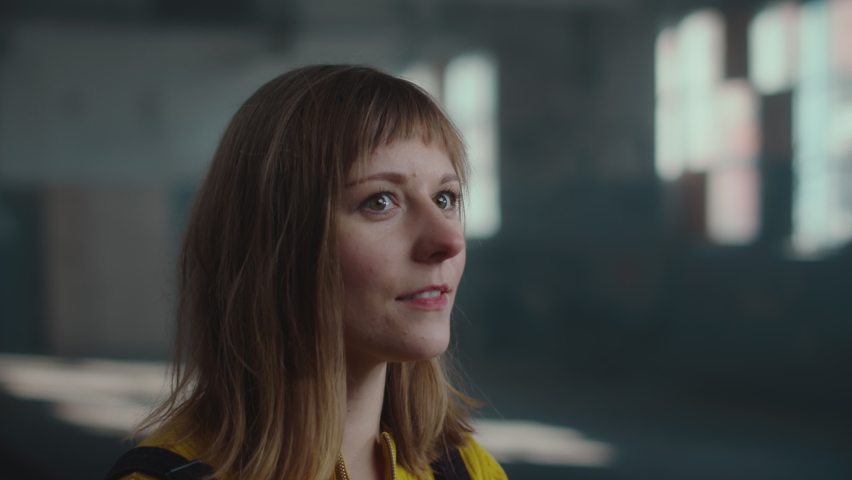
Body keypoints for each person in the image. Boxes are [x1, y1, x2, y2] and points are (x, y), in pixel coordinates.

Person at [104, 65, 508, 480]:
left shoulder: (469, 470)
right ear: (275, 242)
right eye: (380, 202)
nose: (449, 241)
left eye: (445, 198)